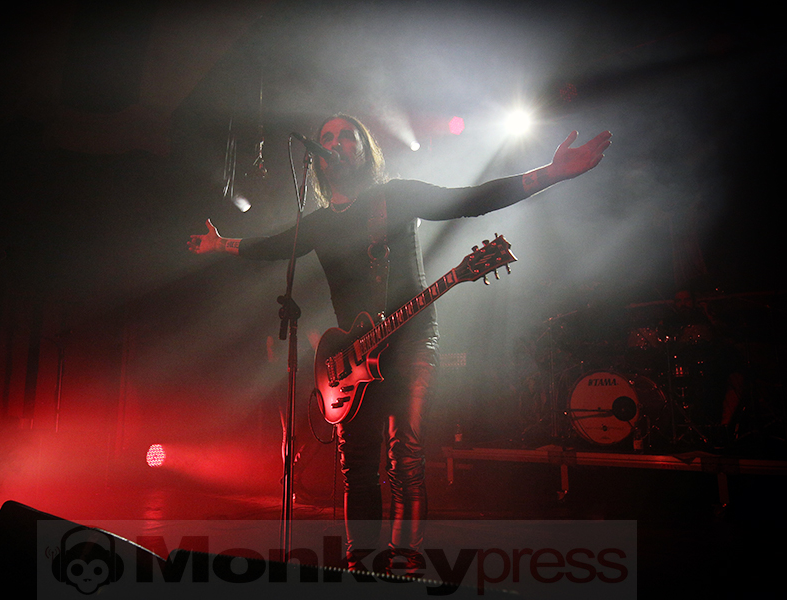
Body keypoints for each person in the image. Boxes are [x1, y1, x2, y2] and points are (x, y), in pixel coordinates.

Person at [189, 114, 611, 574]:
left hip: (409, 338)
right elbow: (272, 245)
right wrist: (220, 244)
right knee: (358, 464)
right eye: (327, 138)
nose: (335, 144)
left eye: (345, 137)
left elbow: (469, 200)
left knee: (405, 456)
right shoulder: (319, 223)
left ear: (363, 149)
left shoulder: (395, 196)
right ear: (317, 160)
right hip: (350, 353)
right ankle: (360, 564)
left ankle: (404, 566)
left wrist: (549, 173)